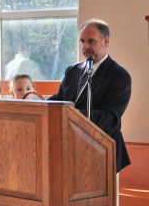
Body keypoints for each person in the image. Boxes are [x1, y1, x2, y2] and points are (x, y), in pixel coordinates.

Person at [49, 19, 131, 173]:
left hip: (102, 151)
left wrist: (73, 115)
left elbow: (110, 118)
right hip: (69, 148)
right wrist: (39, 105)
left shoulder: (119, 76)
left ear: (106, 42)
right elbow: (59, 99)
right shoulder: (73, 70)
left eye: (91, 41)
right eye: (82, 41)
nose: (85, 46)